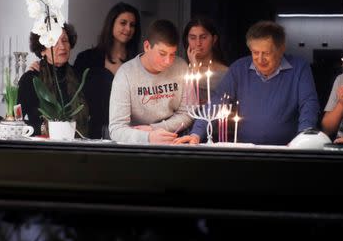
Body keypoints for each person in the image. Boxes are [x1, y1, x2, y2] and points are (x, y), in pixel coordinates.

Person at [190, 20, 320, 145]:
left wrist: (304, 139)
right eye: (255, 52)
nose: (260, 59)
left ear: (281, 49)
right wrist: (196, 134)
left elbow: (309, 105)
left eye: (266, 53)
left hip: (287, 150)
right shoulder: (239, 68)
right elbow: (217, 102)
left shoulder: (299, 68)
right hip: (247, 152)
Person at [108, 19, 196, 145]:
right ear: (147, 46)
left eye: (172, 54)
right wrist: (148, 137)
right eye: (162, 54)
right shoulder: (126, 74)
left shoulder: (181, 67)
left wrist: (155, 129)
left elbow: (188, 114)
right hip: (137, 147)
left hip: (175, 141)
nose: (168, 61)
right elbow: (116, 129)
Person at [73, 3, 141, 138]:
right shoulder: (86, 58)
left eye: (132, 25)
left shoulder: (138, 62)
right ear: (111, 24)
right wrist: (42, 65)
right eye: (123, 23)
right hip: (91, 133)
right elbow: (70, 86)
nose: (128, 29)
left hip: (128, 133)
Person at [17, 23, 89, 137]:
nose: (62, 46)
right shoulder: (31, 80)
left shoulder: (80, 77)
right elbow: (15, 122)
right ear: (42, 50)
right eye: (54, 42)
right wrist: (42, 128)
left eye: (65, 40)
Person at [182, 16, 228, 100]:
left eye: (203, 37)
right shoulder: (181, 70)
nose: (198, 43)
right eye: (192, 38)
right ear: (187, 40)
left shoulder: (226, 73)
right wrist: (193, 66)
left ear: (214, 39)